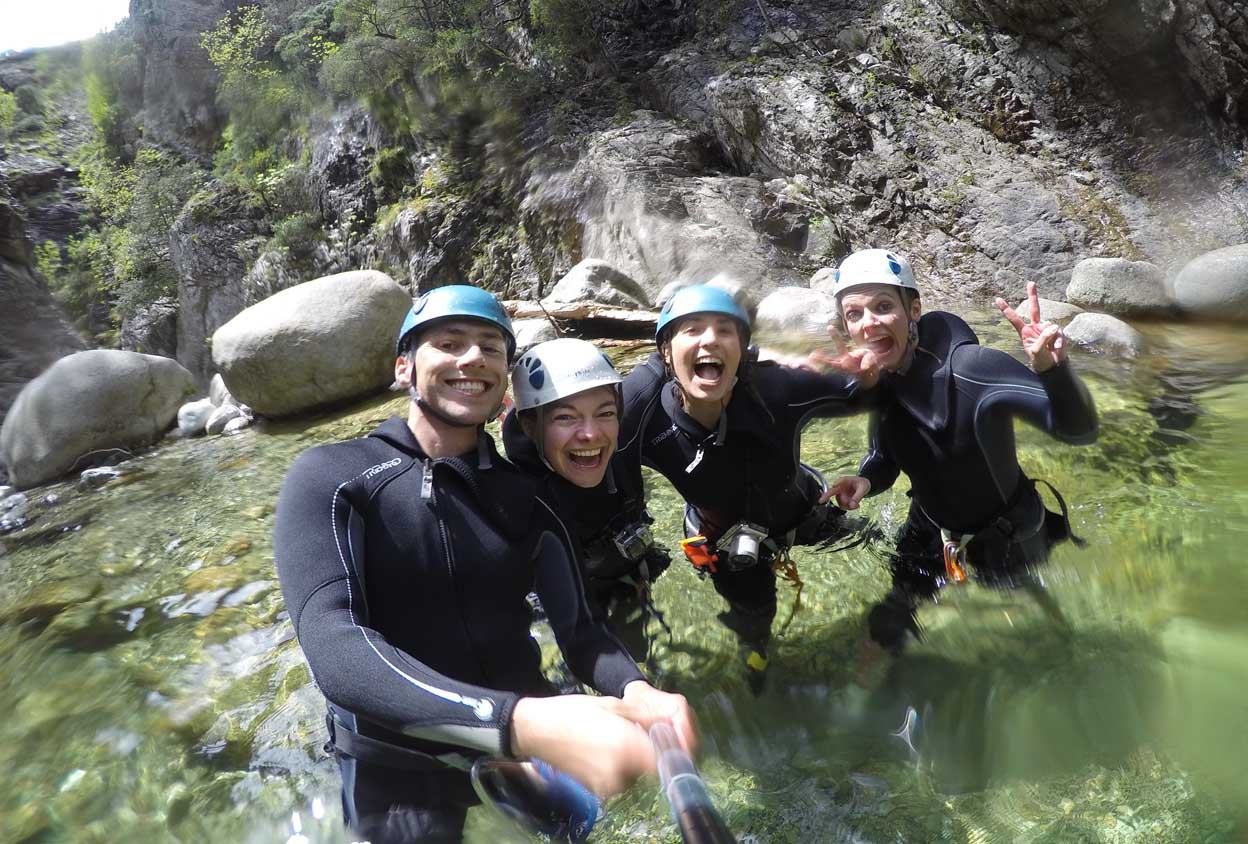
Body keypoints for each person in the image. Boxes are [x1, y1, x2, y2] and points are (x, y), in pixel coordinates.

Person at [273, 285, 695, 843]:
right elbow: (334, 646)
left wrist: (638, 692)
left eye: (491, 348)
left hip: (526, 736)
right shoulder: (333, 478)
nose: (472, 358)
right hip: (403, 759)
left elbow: (581, 631)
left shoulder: (529, 498)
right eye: (449, 344)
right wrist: (520, 724)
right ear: (404, 367)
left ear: (504, 389)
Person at [816, 249, 1099, 655]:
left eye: (882, 307)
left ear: (913, 309)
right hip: (928, 527)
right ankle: (889, 696)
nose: (868, 324)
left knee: (1036, 633)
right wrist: (866, 479)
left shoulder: (974, 369)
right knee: (892, 615)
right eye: (854, 314)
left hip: (1006, 535)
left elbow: (1079, 432)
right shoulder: (879, 379)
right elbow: (885, 456)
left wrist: (1053, 370)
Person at [620, 284, 879, 693]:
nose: (710, 339)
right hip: (724, 542)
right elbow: (580, 444)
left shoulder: (776, 390)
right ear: (665, 353)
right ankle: (756, 663)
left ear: (742, 351)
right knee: (755, 618)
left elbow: (867, 397)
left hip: (808, 512)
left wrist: (867, 378)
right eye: (692, 330)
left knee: (879, 546)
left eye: (726, 331)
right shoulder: (646, 422)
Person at [503, 338, 671, 663]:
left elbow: (666, 359)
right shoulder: (513, 496)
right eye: (565, 417)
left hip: (629, 576)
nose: (591, 435)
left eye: (605, 413)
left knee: (637, 655)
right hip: (564, 599)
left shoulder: (625, 427)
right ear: (529, 425)